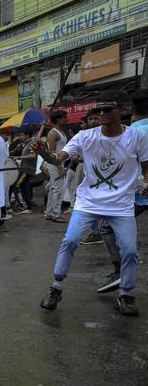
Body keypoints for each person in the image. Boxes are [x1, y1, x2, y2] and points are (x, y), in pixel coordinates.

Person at [36, 97, 148, 316]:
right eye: (99, 110)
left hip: (122, 204)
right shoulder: (85, 136)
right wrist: (43, 152)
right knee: (70, 240)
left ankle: (126, 294)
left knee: (129, 250)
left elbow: (146, 166)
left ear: (121, 110)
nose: (102, 114)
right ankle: (55, 288)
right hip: (88, 202)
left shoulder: (137, 136)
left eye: (108, 109)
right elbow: (58, 158)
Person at [97, 90, 148, 293]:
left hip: (135, 191)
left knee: (107, 228)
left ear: (130, 109)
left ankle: (119, 270)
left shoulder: (129, 132)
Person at [43, 110, 70, 222]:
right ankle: (56, 214)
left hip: (59, 162)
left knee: (54, 188)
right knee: (58, 189)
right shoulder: (53, 133)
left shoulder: (61, 132)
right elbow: (52, 152)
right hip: (55, 163)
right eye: (64, 117)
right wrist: (59, 166)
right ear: (58, 119)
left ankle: (50, 213)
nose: (66, 119)